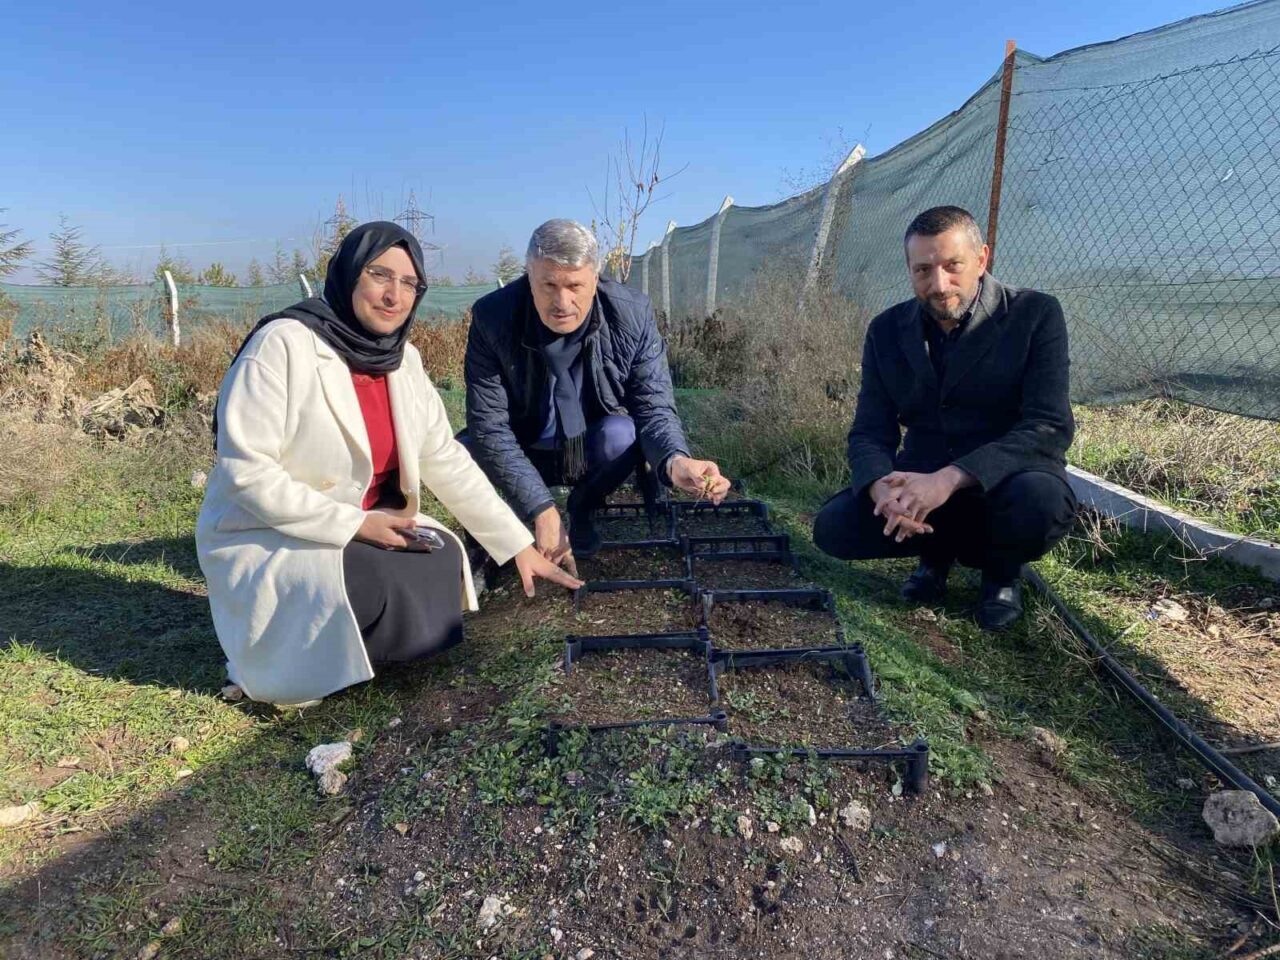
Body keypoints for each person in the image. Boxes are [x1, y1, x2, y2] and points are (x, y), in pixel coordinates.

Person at [197, 221, 580, 707]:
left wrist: (515, 546)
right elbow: (247, 473)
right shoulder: (283, 345)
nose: (393, 295)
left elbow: (444, 457)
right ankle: (282, 667)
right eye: (380, 275)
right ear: (350, 273)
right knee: (376, 579)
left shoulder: (403, 360)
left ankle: (360, 651)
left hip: (370, 521)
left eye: (409, 283)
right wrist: (355, 524)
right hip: (275, 529)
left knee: (441, 557)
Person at [812, 206, 1077, 630]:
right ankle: (933, 556)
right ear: (909, 270)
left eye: (953, 266)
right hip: (920, 481)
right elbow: (870, 430)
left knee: (1039, 504)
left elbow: (1048, 426)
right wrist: (881, 487)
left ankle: (1001, 574)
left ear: (981, 258)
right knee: (834, 528)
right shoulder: (886, 330)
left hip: (1004, 483)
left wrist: (950, 478)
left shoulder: (1034, 314)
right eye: (922, 270)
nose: (938, 285)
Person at [461, 218, 731, 565]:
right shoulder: (492, 318)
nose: (562, 301)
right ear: (529, 276)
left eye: (574, 285)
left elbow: (653, 406)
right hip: (524, 443)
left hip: (591, 449)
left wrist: (675, 461)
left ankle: (583, 505)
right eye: (548, 285)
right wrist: (541, 508)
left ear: (595, 278)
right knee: (464, 450)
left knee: (623, 433)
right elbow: (490, 426)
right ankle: (494, 533)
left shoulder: (631, 314)